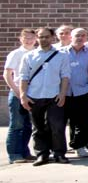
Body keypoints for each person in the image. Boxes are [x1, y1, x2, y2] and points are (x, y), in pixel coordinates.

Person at [19, 28, 71, 166]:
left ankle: (59, 154)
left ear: (52, 37)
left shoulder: (61, 55)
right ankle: (42, 155)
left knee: (57, 126)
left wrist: (62, 94)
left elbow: (65, 76)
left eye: (47, 37)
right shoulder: (29, 56)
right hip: (34, 96)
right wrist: (23, 95)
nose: (44, 39)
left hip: (54, 95)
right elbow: (23, 77)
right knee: (38, 127)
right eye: (41, 37)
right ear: (37, 38)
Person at [61, 28, 88, 158]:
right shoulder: (61, 52)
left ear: (86, 38)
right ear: (71, 37)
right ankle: (59, 148)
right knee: (60, 122)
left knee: (82, 122)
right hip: (63, 93)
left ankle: (79, 146)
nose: (80, 38)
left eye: (83, 35)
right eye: (77, 35)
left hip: (83, 91)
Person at [6, 29, 38, 163]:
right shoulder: (16, 54)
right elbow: (7, 75)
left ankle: (25, 152)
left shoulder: (37, 53)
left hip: (33, 93)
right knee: (17, 125)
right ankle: (14, 155)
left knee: (27, 125)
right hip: (17, 93)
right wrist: (17, 92)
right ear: (20, 39)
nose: (29, 40)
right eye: (26, 38)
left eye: (31, 38)